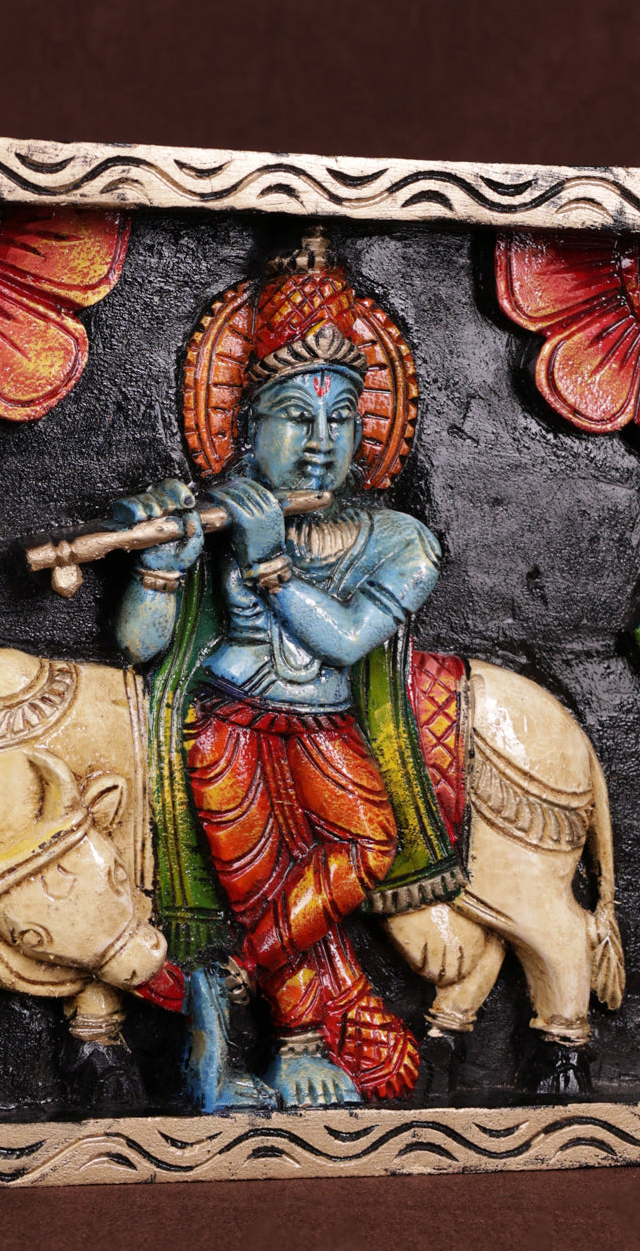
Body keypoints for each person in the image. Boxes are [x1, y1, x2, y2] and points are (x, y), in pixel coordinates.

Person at [114, 233, 449, 1105]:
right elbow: (140, 645)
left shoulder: (399, 539)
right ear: (245, 427)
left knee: (366, 844)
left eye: (342, 419)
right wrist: (159, 566)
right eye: (296, 417)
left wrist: (269, 562)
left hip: (325, 723)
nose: (320, 442)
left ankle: (223, 981)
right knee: (263, 884)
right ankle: (295, 1043)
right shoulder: (215, 516)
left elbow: (346, 642)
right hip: (226, 723)